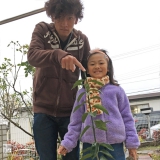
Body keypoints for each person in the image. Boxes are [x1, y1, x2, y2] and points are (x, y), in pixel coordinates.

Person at [27, 0, 90, 159]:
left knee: (72, 156)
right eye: (59, 17)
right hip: (43, 109)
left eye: (69, 18)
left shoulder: (82, 40)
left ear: (76, 18)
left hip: (71, 112)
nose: (64, 23)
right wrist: (58, 54)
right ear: (52, 16)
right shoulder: (42, 30)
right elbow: (33, 55)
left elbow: (87, 74)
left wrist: (93, 96)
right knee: (46, 157)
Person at [58, 49, 140, 160]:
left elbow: (127, 118)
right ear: (86, 69)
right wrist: (67, 143)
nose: (97, 66)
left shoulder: (117, 90)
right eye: (92, 64)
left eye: (101, 63)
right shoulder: (83, 92)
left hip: (114, 145)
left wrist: (132, 144)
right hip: (90, 146)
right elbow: (76, 121)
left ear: (108, 67)